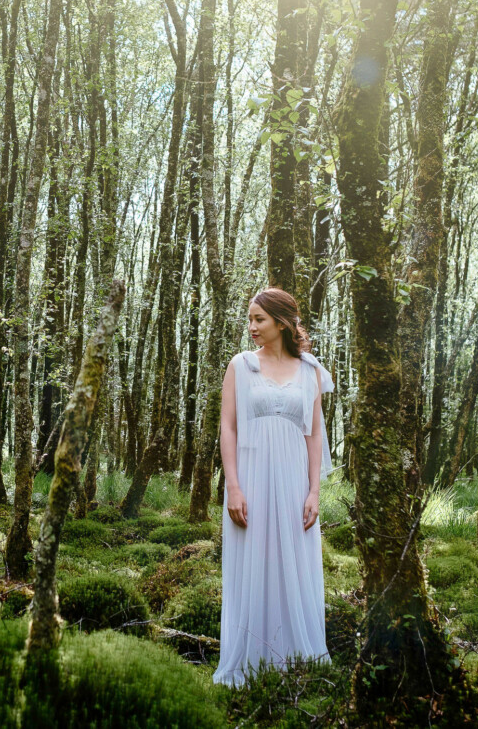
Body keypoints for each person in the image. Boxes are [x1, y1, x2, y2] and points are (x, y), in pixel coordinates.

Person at [212, 286, 334, 687]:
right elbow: (227, 427)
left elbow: (314, 435)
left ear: (282, 323)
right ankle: (249, 659)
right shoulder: (241, 366)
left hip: (295, 480)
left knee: (294, 562)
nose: (251, 327)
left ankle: (296, 657)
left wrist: (314, 491)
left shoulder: (310, 371)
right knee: (252, 560)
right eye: (249, 319)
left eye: (258, 319)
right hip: (251, 478)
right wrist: (233, 486)